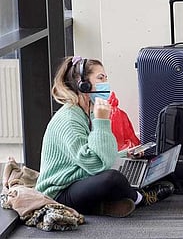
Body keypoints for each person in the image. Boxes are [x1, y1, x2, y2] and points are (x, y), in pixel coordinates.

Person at [35, 56, 174, 217]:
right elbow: (96, 165)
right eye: (100, 78)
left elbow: (99, 156)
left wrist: (124, 155)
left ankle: (101, 206)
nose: (106, 83)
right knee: (112, 179)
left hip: (81, 179)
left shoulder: (87, 111)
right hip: (59, 192)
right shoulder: (69, 119)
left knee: (148, 164)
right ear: (83, 84)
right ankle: (141, 198)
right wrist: (102, 122)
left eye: (106, 78)